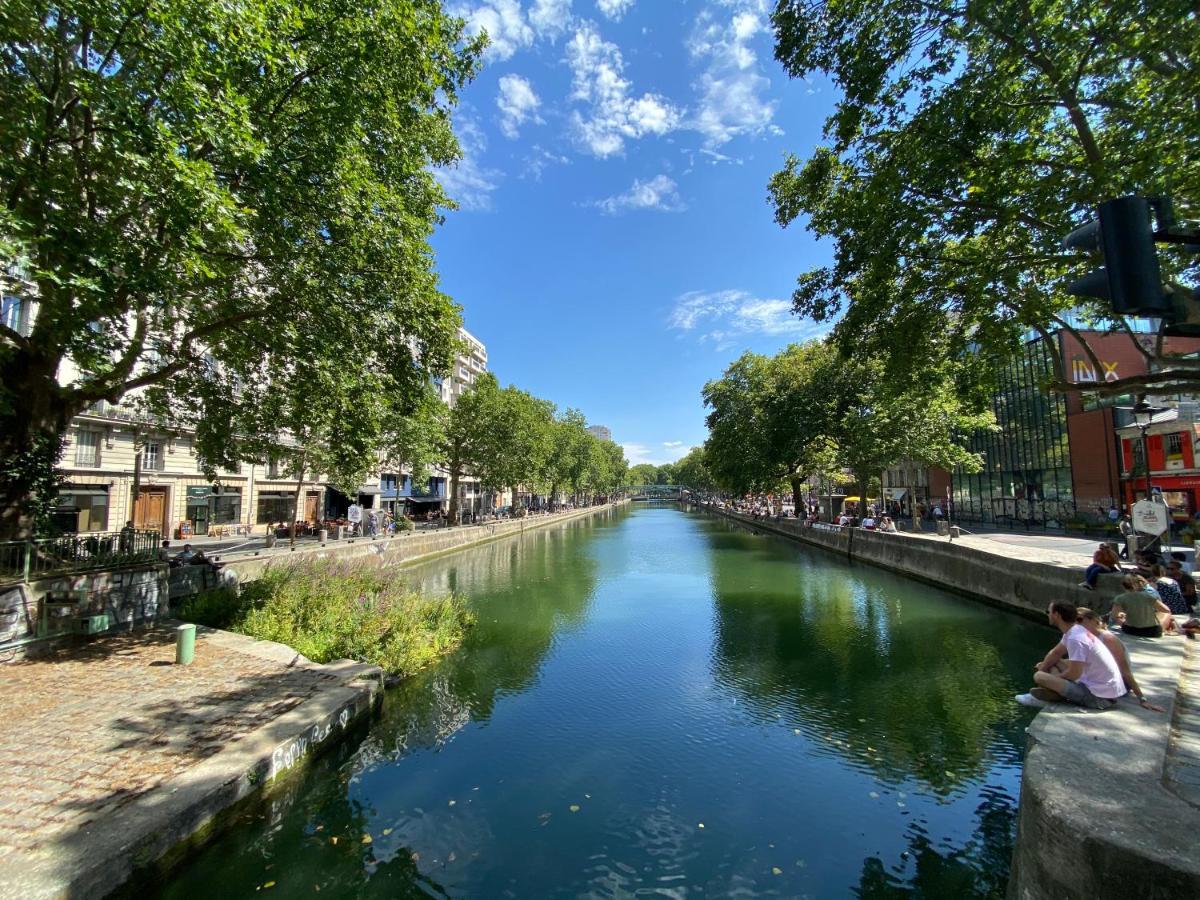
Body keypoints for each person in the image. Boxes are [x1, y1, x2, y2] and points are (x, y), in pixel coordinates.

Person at [1016, 600, 1124, 710]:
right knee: (1052, 663)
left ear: (1056, 615)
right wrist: (1044, 668)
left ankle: (1050, 697)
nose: (1047, 614)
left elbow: (1074, 674)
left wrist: (1051, 679)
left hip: (1099, 698)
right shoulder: (1076, 630)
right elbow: (1055, 653)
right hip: (1099, 688)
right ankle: (1052, 694)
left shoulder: (1075, 639)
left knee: (1039, 677)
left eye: (1048, 612)